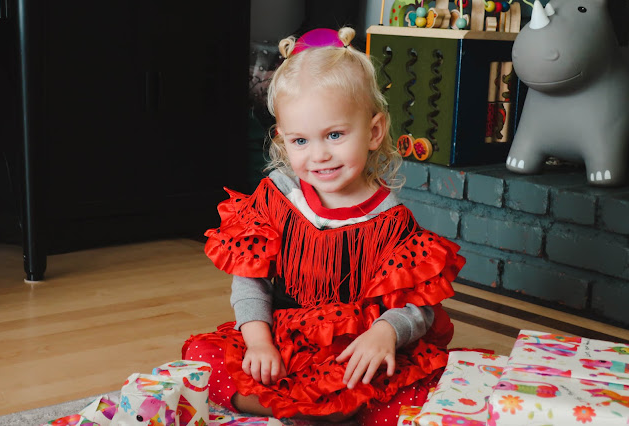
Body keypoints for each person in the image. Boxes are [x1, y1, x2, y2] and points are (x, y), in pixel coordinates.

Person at [182, 26, 465, 424]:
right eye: (300, 141)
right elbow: (250, 281)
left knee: (415, 387)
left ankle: (325, 410)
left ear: (374, 131)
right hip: (283, 342)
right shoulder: (277, 196)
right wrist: (259, 344)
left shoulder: (390, 219)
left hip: (351, 351)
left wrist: (385, 332)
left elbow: (419, 305)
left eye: (334, 135)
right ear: (282, 139)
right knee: (201, 361)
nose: (319, 156)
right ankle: (321, 413)